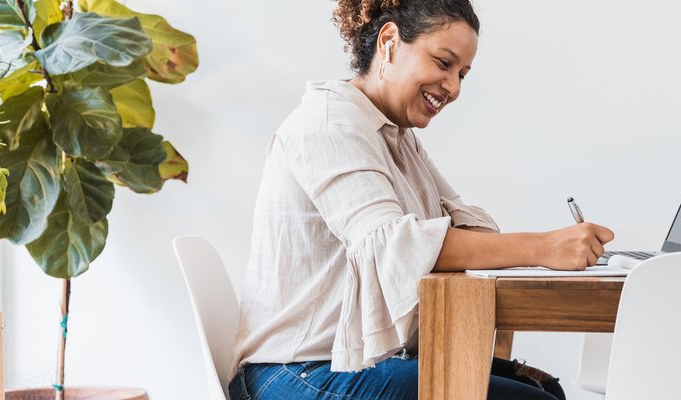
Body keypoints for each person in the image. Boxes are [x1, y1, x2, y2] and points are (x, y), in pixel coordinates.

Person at [228, 0, 614, 399]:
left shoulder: (393, 132)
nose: (454, 88)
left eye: (462, 74)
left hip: (354, 362)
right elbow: (395, 246)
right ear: (390, 42)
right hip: (291, 373)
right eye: (444, 63)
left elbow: (466, 222)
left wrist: (504, 244)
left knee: (545, 389)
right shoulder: (329, 124)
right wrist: (544, 246)